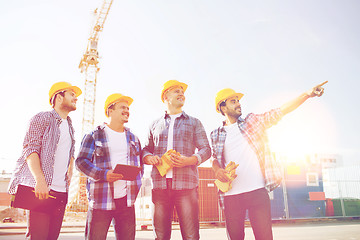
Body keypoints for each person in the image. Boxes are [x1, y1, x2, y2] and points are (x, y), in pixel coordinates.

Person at [211, 81, 327, 240]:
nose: (238, 104)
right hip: (231, 196)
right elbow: (214, 159)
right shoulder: (215, 134)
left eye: (238, 100)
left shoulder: (252, 121)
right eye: (233, 101)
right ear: (222, 108)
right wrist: (218, 170)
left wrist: (307, 94)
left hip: (257, 192)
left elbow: (279, 112)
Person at [8, 81, 82, 240]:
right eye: (72, 94)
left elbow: (69, 154)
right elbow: (30, 149)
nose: (76, 98)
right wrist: (40, 180)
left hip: (61, 193)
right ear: (59, 97)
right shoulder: (42, 118)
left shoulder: (69, 126)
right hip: (41, 190)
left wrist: (69, 174)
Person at [142, 80, 211, 240]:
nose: (181, 93)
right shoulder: (155, 124)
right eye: (176, 91)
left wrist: (190, 160)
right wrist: (149, 158)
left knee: (191, 236)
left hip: (186, 187)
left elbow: (206, 149)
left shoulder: (194, 122)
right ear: (165, 96)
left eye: (182, 91)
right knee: (160, 237)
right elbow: (145, 150)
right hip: (159, 187)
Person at [76, 93, 143, 240]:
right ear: (110, 111)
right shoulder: (94, 135)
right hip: (101, 201)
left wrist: (136, 184)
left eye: (128, 108)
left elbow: (140, 166)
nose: (127, 110)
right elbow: (80, 162)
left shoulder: (133, 138)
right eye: (122, 107)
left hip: (126, 202)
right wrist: (103, 174)